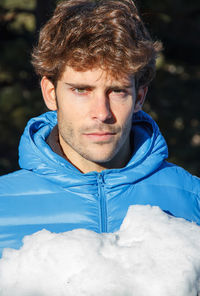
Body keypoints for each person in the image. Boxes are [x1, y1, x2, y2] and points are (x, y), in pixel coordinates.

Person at [0, 0, 199, 257]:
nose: (102, 113)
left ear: (139, 97)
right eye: (81, 90)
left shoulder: (194, 200)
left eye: (117, 91)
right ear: (51, 94)